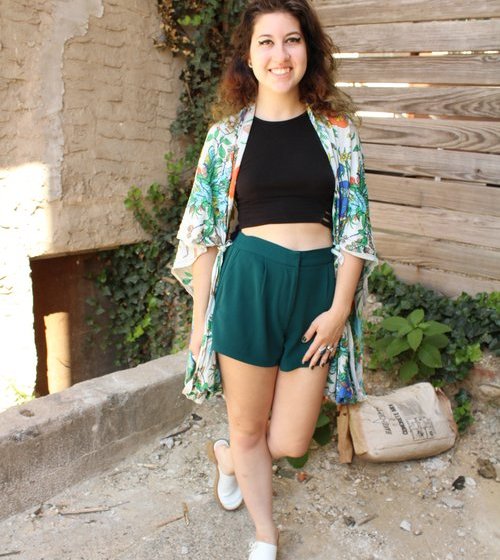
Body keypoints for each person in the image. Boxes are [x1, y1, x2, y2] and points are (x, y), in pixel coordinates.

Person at [172, 1, 377, 558]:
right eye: (266, 41)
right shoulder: (226, 137)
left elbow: (356, 230)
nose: (279, 54)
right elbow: (204, 234)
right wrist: (199, 325)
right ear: (248, 55)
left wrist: (338, 310)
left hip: (316, 291)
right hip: (249, 282)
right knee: (247, 428)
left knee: (288, 440)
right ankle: (266, 533)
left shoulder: (338, 134)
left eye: (292, 40)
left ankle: (228, 458)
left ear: (308, 50)